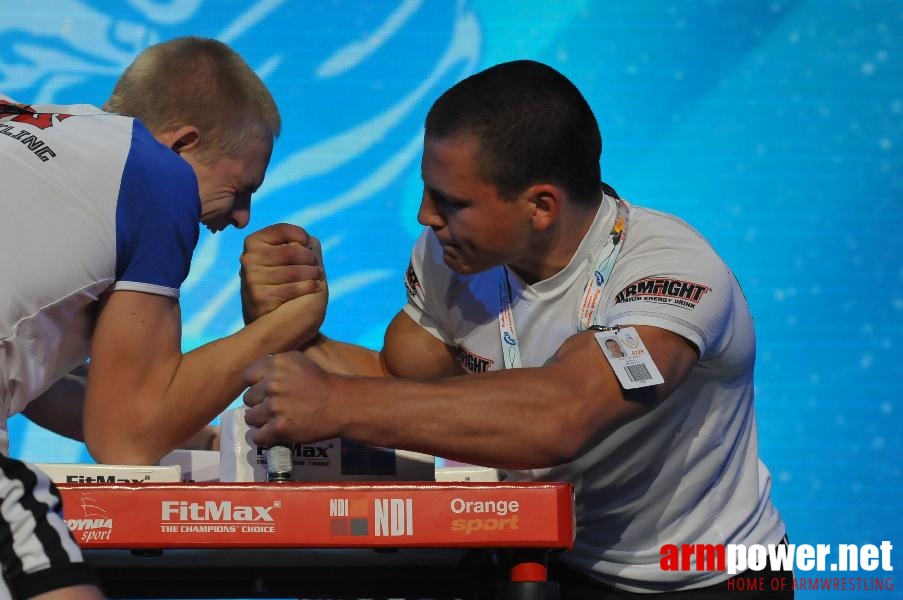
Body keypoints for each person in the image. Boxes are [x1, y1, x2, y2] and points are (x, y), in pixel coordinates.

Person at [239, 60, 791, 598]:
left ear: (541, 206)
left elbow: (561, 416)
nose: (426, 216)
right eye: (428, 190)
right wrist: (286, 331)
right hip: (558, 562)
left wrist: (334, 403)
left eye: (452, 203)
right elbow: (394, 381)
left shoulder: (670, 273)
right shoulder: (448, 256)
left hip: (709, 578)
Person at [1, 37, 325, 598]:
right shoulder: (156, 174)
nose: (243, 218)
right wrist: (286, 324)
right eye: (240, 188)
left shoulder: (29, 130)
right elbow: (124, 438)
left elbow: (33, 382)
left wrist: (211, 445)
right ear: (182, 144)